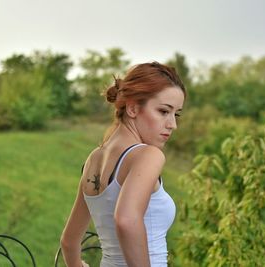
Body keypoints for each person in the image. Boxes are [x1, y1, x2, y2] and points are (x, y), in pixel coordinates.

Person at [60, 61, 186, 267]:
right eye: (164, 111)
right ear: (133, 108)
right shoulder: (148, 155)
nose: (173, 124)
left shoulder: (94, 159)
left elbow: (69, 241)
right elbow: (126, 220)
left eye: (176, 114)